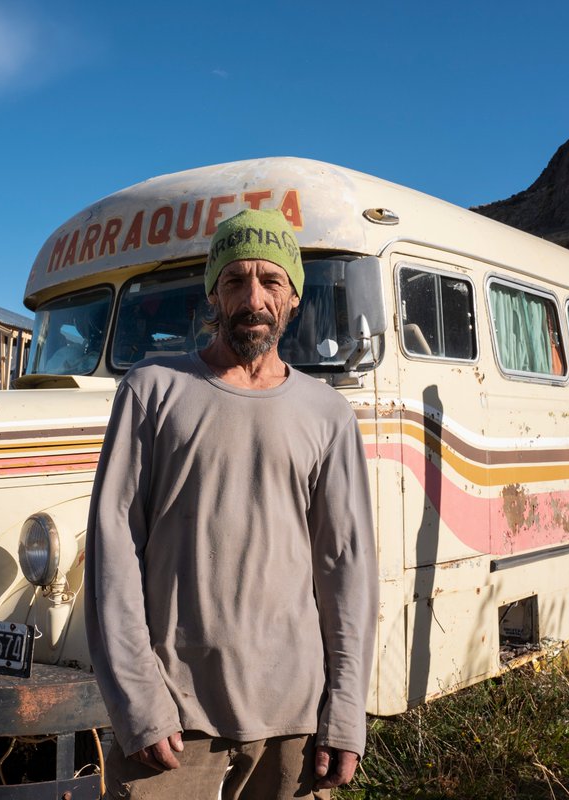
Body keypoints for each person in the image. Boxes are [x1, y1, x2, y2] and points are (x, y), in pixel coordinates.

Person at [85, 207, 378, 799]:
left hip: (295, 719)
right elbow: (113, 551)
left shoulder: (327, 414)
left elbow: (348, 571)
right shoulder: (152, 391)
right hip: (174, 716)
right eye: (235, 280)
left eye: (271, 281)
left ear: (294, 296)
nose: (253, 298)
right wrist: (138, 699)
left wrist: (345, 709)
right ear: (213, 295)